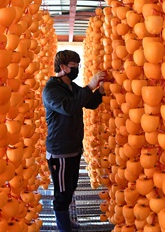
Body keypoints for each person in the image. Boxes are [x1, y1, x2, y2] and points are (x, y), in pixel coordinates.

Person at [42, 50, 106, 232]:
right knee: (62, 194)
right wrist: (89, 86)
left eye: (78, 65)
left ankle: (66, 221)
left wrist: (99, 90)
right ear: (62, 67)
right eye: (73, 66)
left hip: (74, 149)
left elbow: (90, 103)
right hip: (59, 151)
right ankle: (64, 228)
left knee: (70, 188)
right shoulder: (52, 90)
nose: (76, 68)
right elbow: (68, 107)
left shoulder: (72, 86)